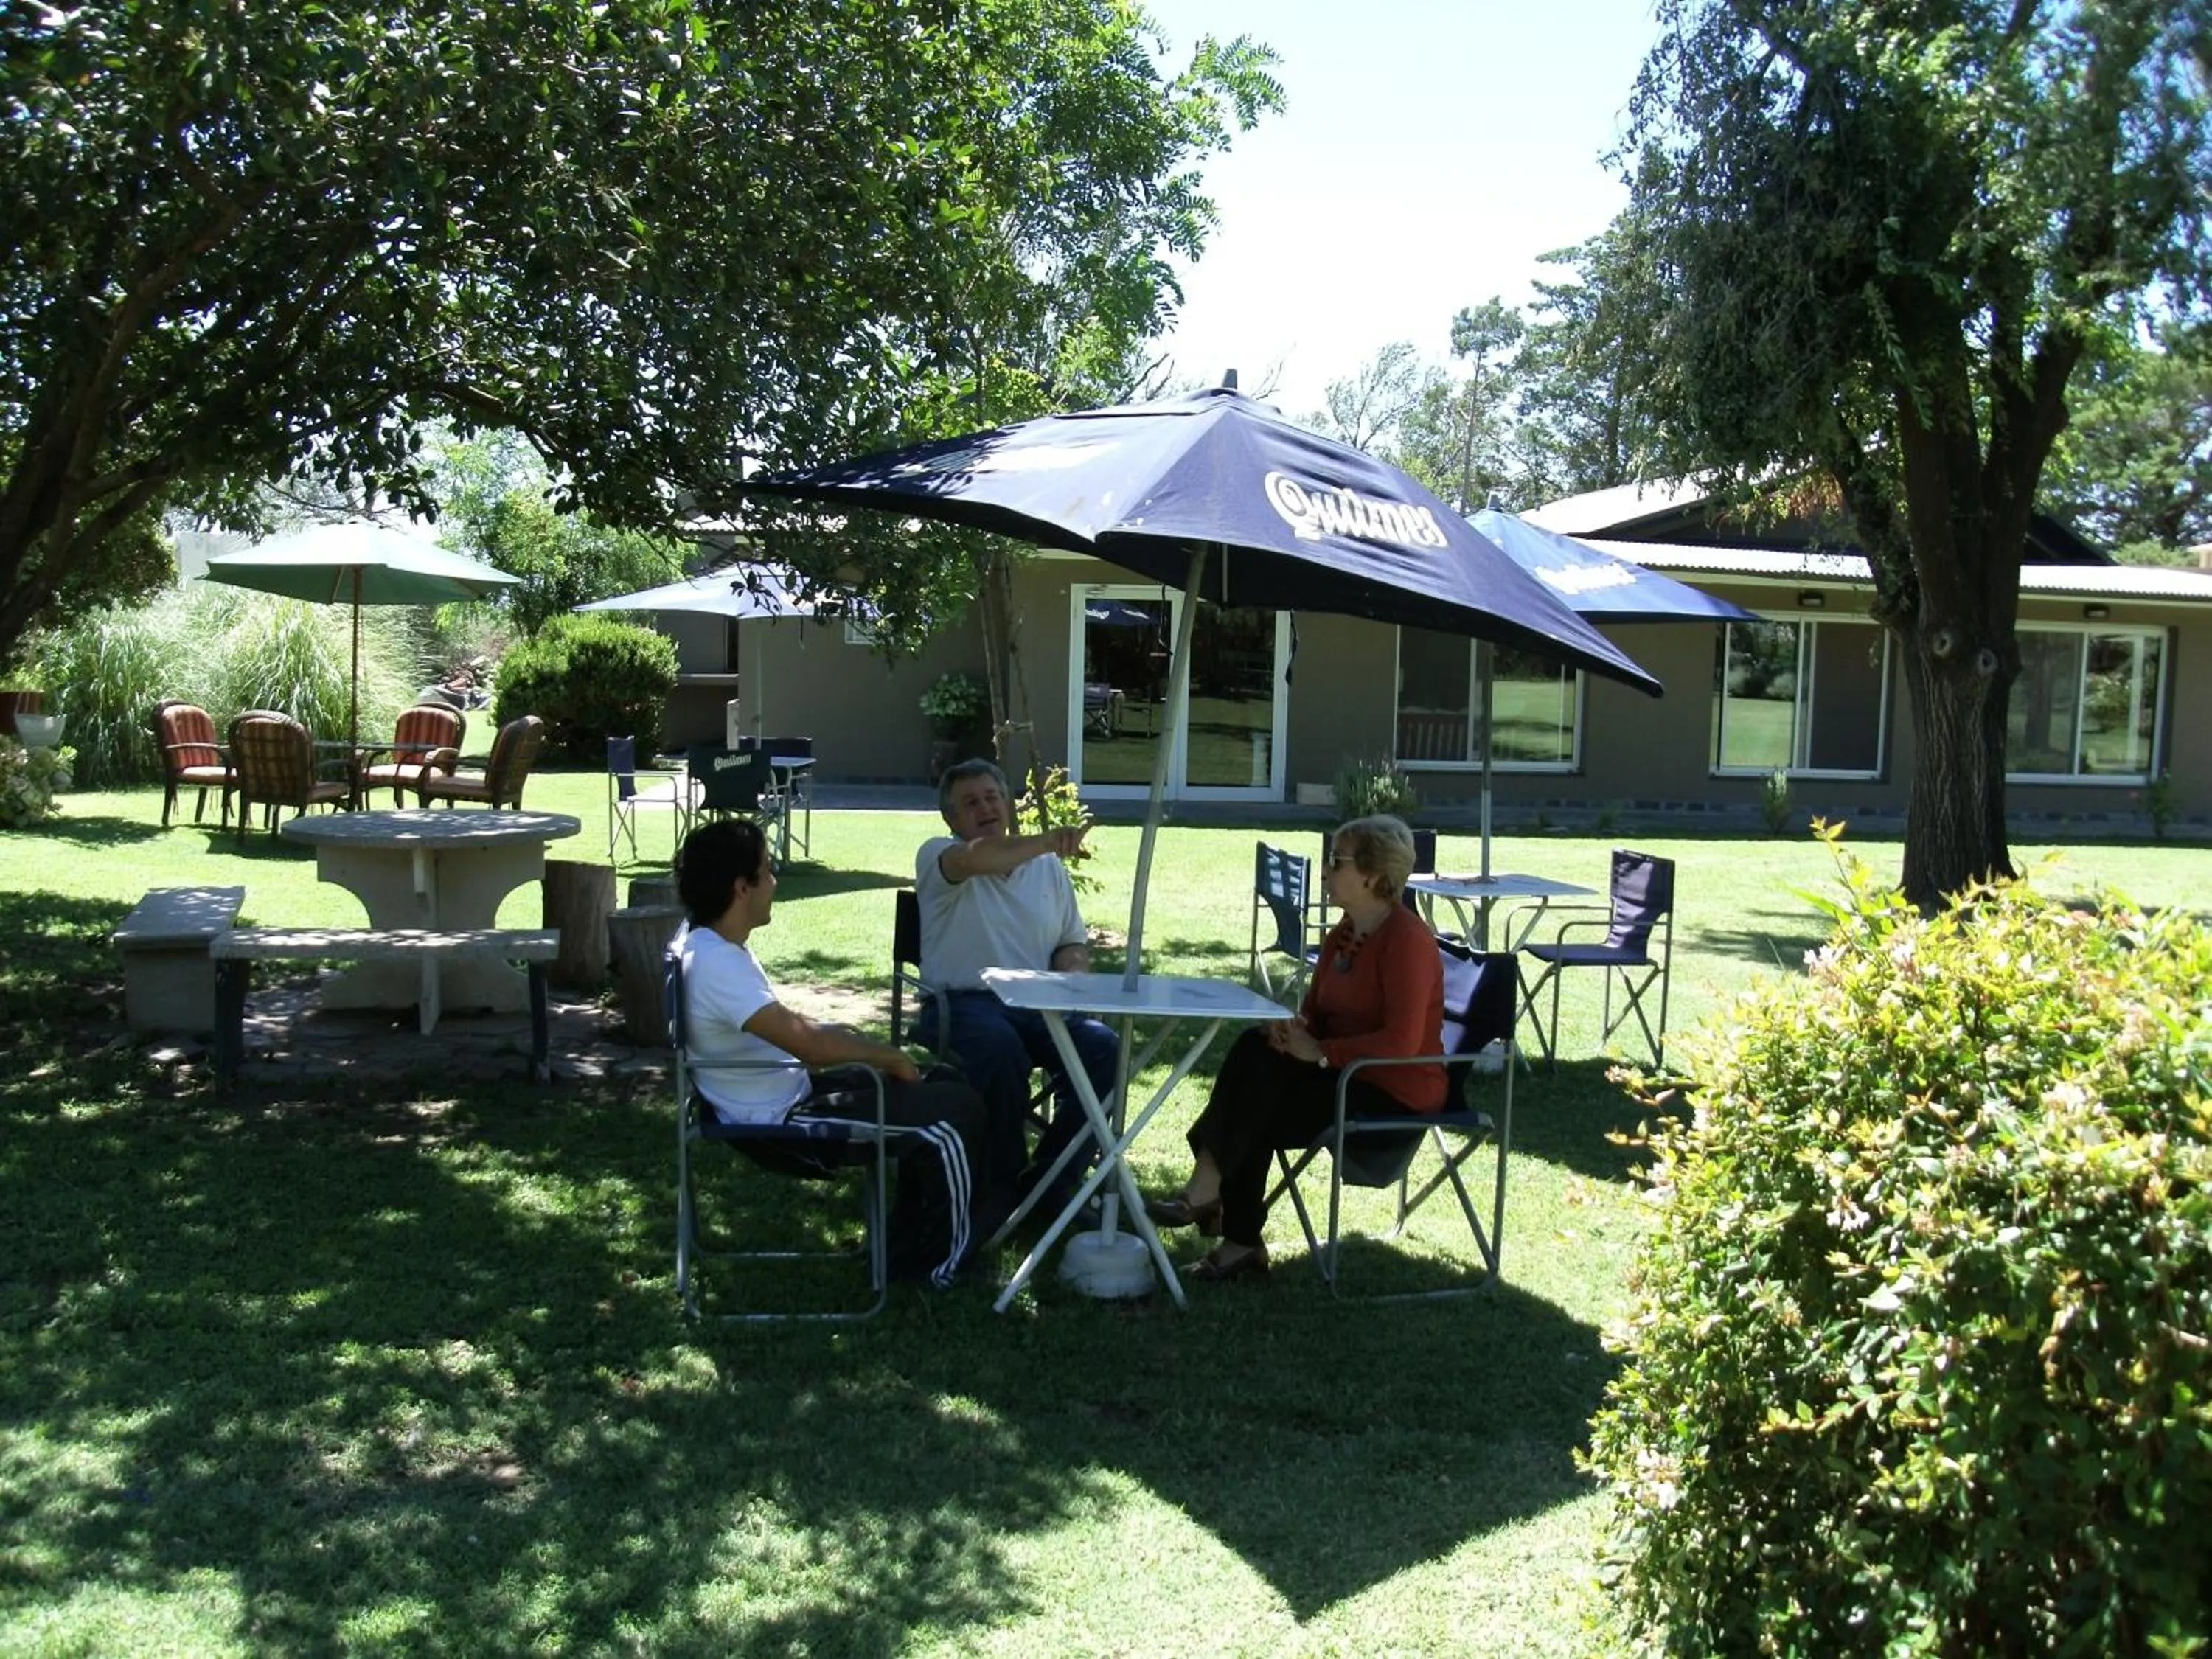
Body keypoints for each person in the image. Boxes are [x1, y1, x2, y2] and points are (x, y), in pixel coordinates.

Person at [676, 816, 999, 1287]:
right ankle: (937, 1268)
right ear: (741, 888)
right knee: (952, 1115)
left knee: (944, 1084)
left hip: (781, 1095)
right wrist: (889, 1056)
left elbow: (795, 1034)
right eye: (767, 871)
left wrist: (855, 1043)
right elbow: (811, 1047)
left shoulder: (706, 945)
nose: (775, 881)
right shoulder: (716, 964)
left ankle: (908, 1247)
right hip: (778, 1121)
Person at [1146, 814, 1446, 1281]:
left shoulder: (1407, 940)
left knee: (1257, 1104)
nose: (1325, 871)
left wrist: (1321, 1053)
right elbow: (1317, 1016)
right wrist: (1292, 1033)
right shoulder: (1342, 936)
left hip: (1392, 1092)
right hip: (1344, 1077)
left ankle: (1221, 1211)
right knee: (1256, 1049)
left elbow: (1402, 1043)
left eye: (1337, 861)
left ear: (1371, 876)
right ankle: (1222, 1213)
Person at [914, 759, 1119, 1213]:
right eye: (971, 803)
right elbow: (976, 857)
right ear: (950, 818)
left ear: (1008, 803)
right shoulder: (939, 855)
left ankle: (1052, 1182)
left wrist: (1075, 977)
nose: (986, 808)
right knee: (999, 1047)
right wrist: (1048, 839)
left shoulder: (1047, 868)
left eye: (992, 797)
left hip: (1038, 1003)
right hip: (962, 1004)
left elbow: (1070, 942)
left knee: (1104, 1047)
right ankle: (998, 1186)